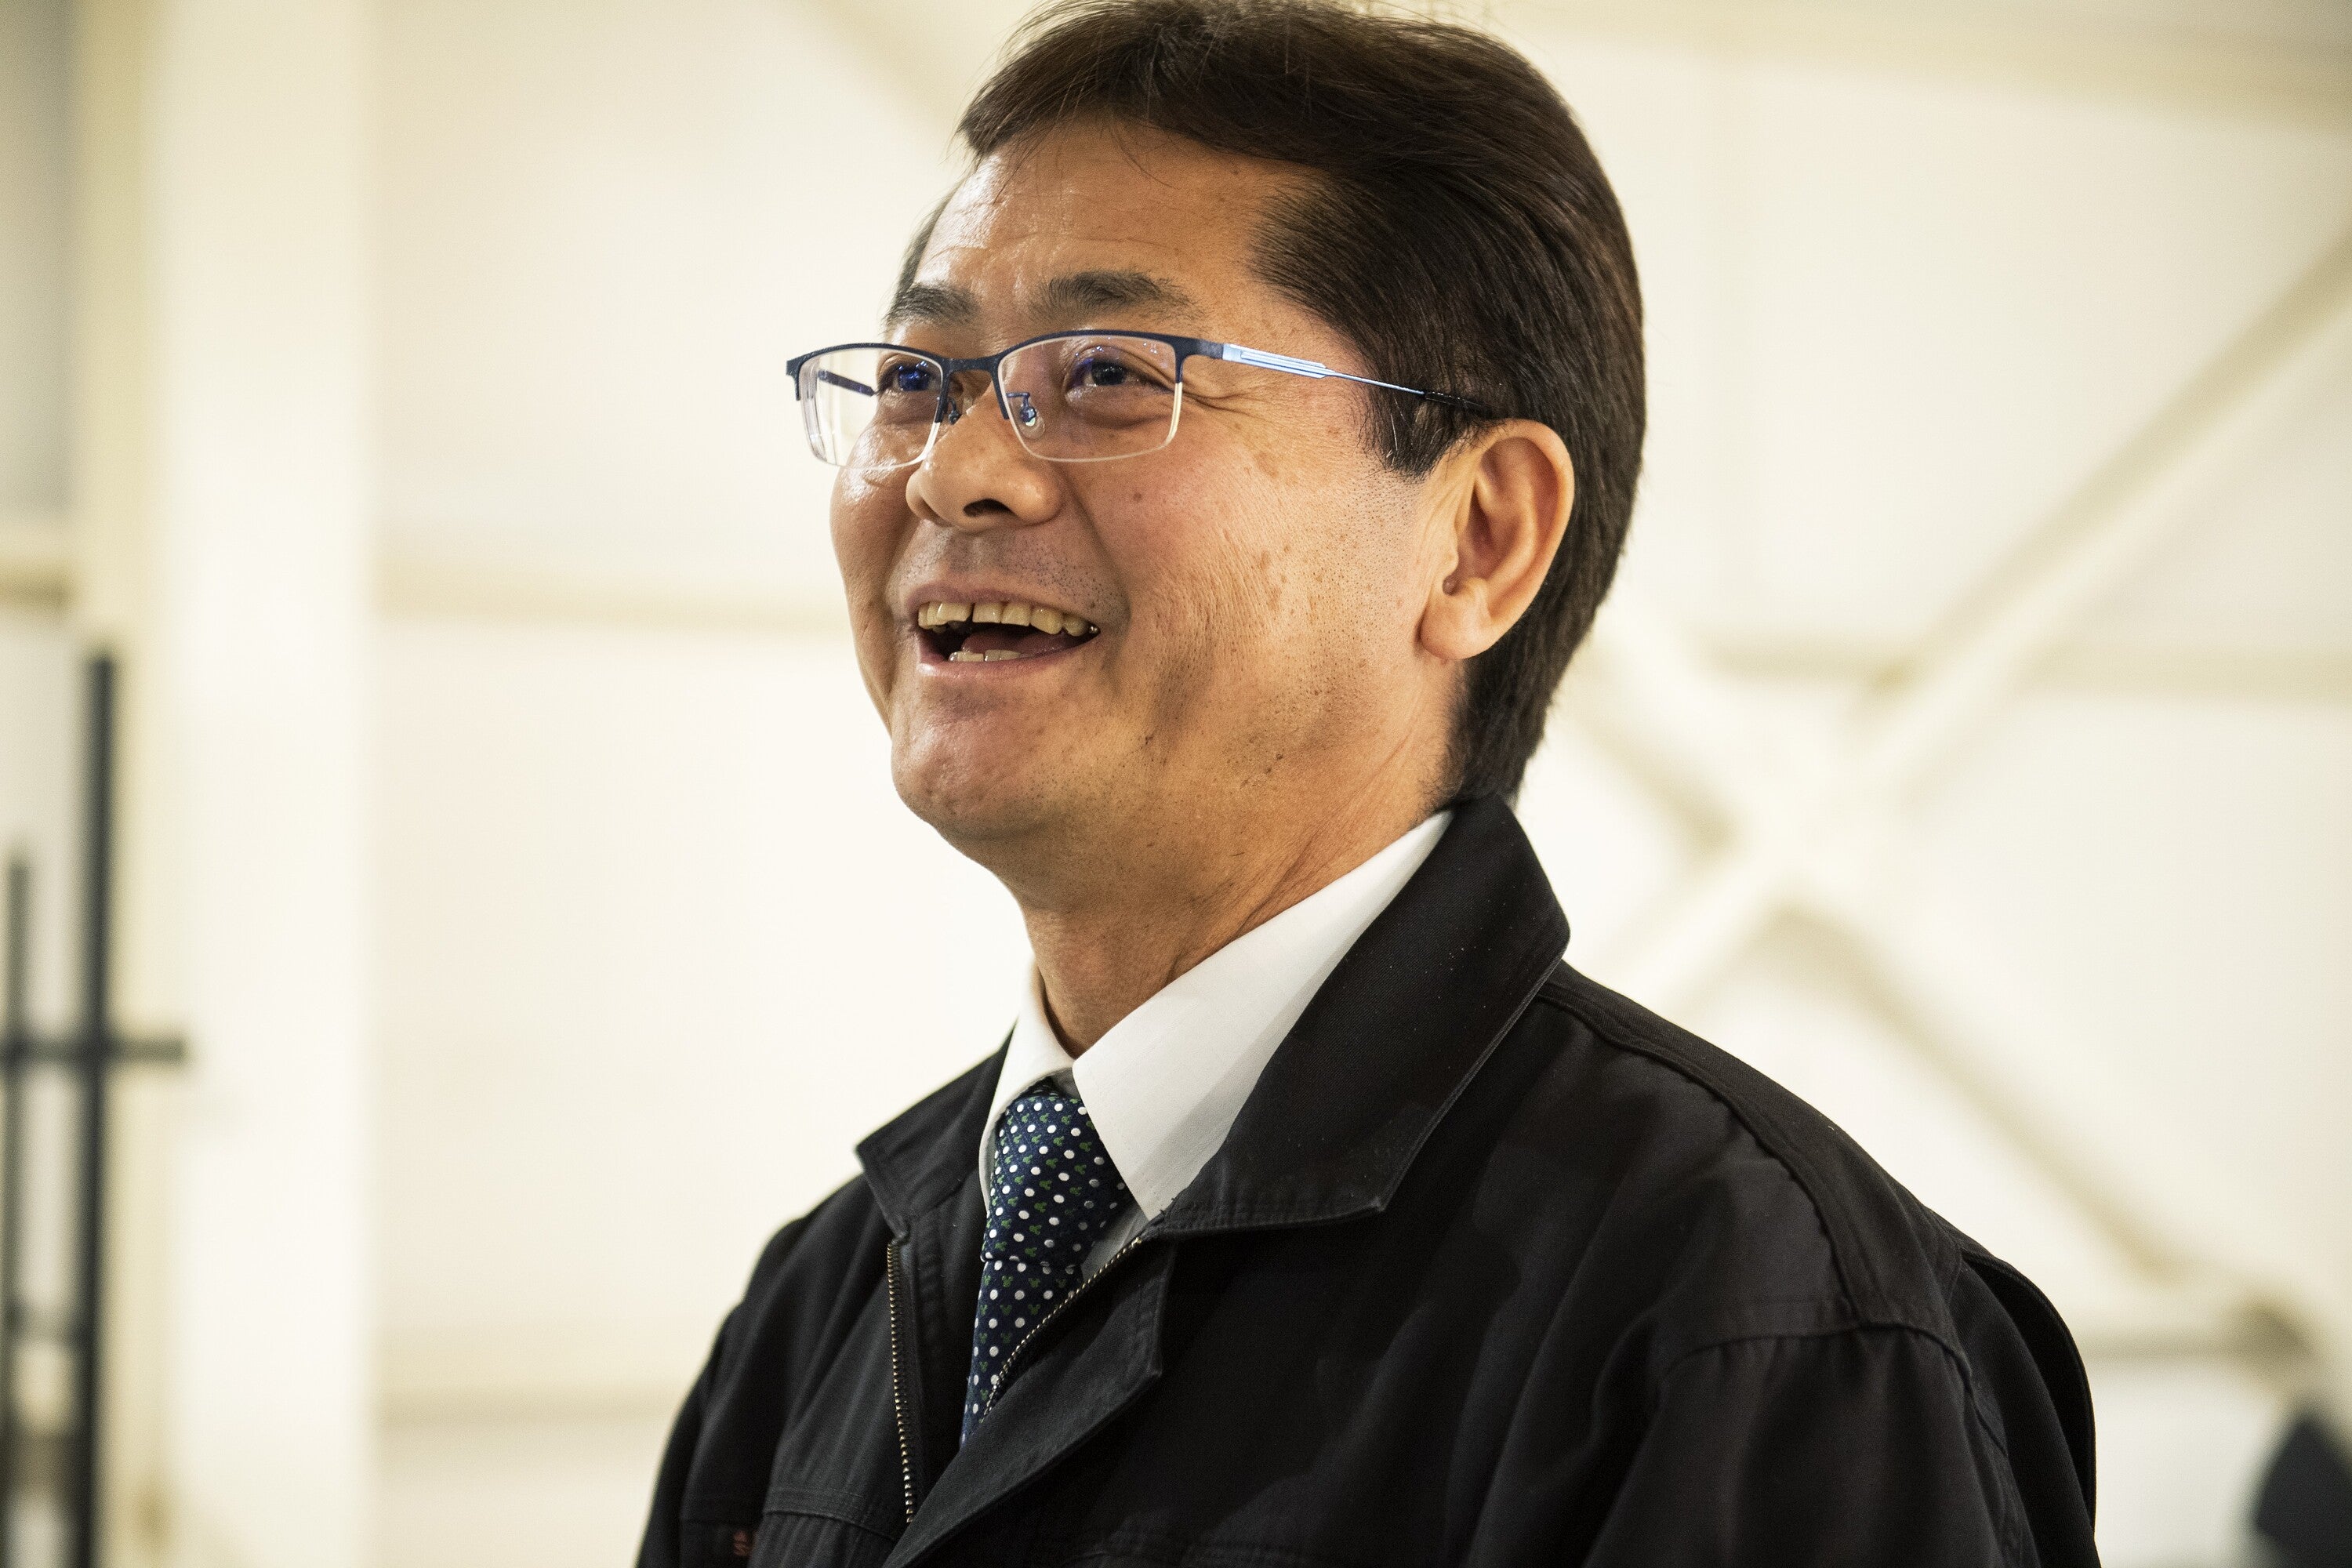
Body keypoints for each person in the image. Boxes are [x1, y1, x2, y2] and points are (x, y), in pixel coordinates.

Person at [638, 2, 2100, 1563]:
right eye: (917, 382)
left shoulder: (1754, 1329)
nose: (952, 469)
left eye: (1112, 371)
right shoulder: (819, 1309)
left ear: (1479, 538)